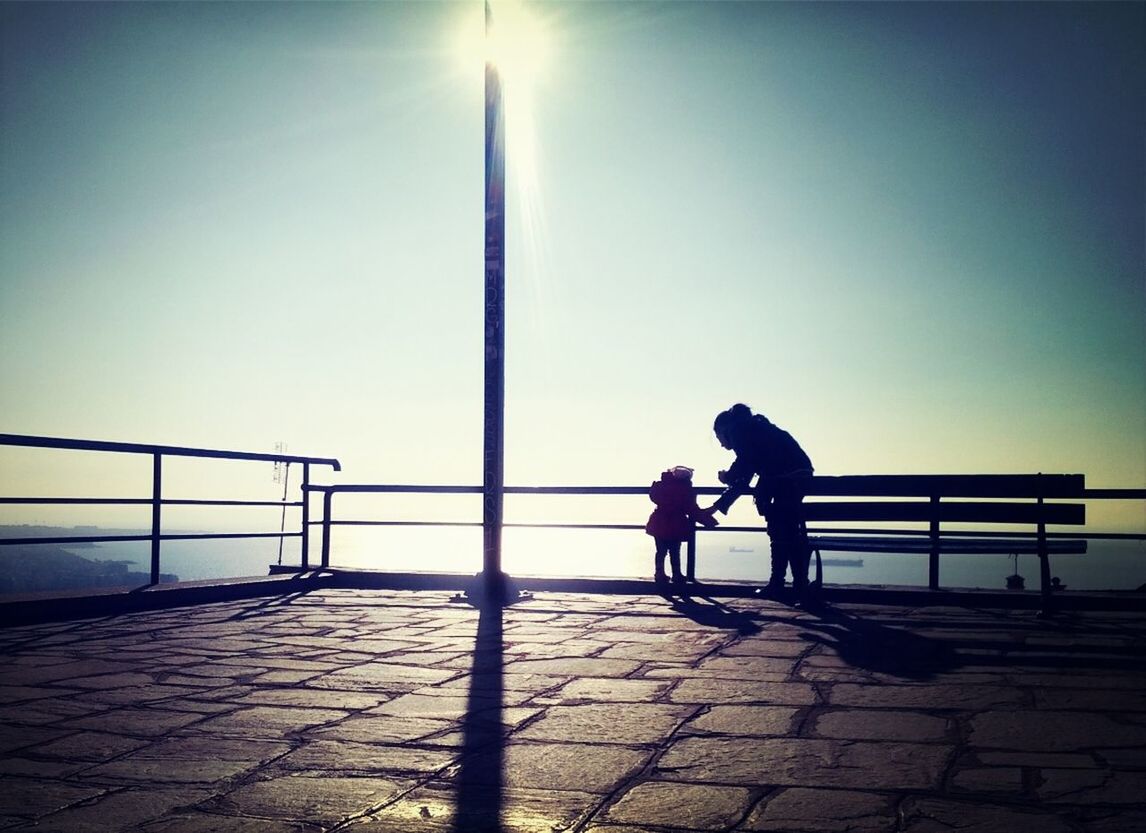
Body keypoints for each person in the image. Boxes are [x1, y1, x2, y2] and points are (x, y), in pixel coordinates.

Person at [709, 404, 814, 599]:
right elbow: (748, 470)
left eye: (718, 438)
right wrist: (719, 505)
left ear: (724, 430)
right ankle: (796, 585)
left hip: (786, 480)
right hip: (798, 477)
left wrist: (726, 477)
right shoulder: (756, 428)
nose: (722, 444)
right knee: (786, 531)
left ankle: (783, 584)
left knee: (781, 532)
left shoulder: (740, 432)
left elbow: (743, 469)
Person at [645, 466, 718, 585]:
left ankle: (659, 573)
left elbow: (653, 496)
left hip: (659, 521)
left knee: (660, 551)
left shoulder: (661, 486)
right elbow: (692, 509)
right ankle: (677, 574)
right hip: (676, 523)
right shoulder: (686, 490)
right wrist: (709, 521)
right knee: (675, 550)